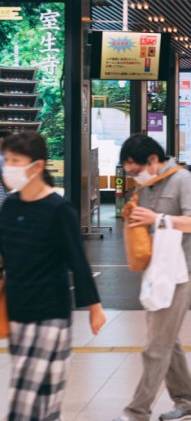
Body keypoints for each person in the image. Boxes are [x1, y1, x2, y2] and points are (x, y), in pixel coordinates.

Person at [0, 131, 106, 421]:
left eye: (15, 160)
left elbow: (77, 260)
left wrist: (94, 307)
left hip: (50, 313)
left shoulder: (58, 209)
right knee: (46, 397)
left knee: (23, 403)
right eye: (6, 159)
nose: (7, 166)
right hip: (17, 311)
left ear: (36, 166)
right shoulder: (10, 206)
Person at [115, 134, 191, 421]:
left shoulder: (183, 181)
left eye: (136, 170)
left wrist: (158, 220)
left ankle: (137, 411)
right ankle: (188, 401)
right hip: (157, 268)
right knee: (167, 339)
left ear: (152, 160)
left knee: (156, 345)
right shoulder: (148, 186)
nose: (134, 177)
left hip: (181, 271)